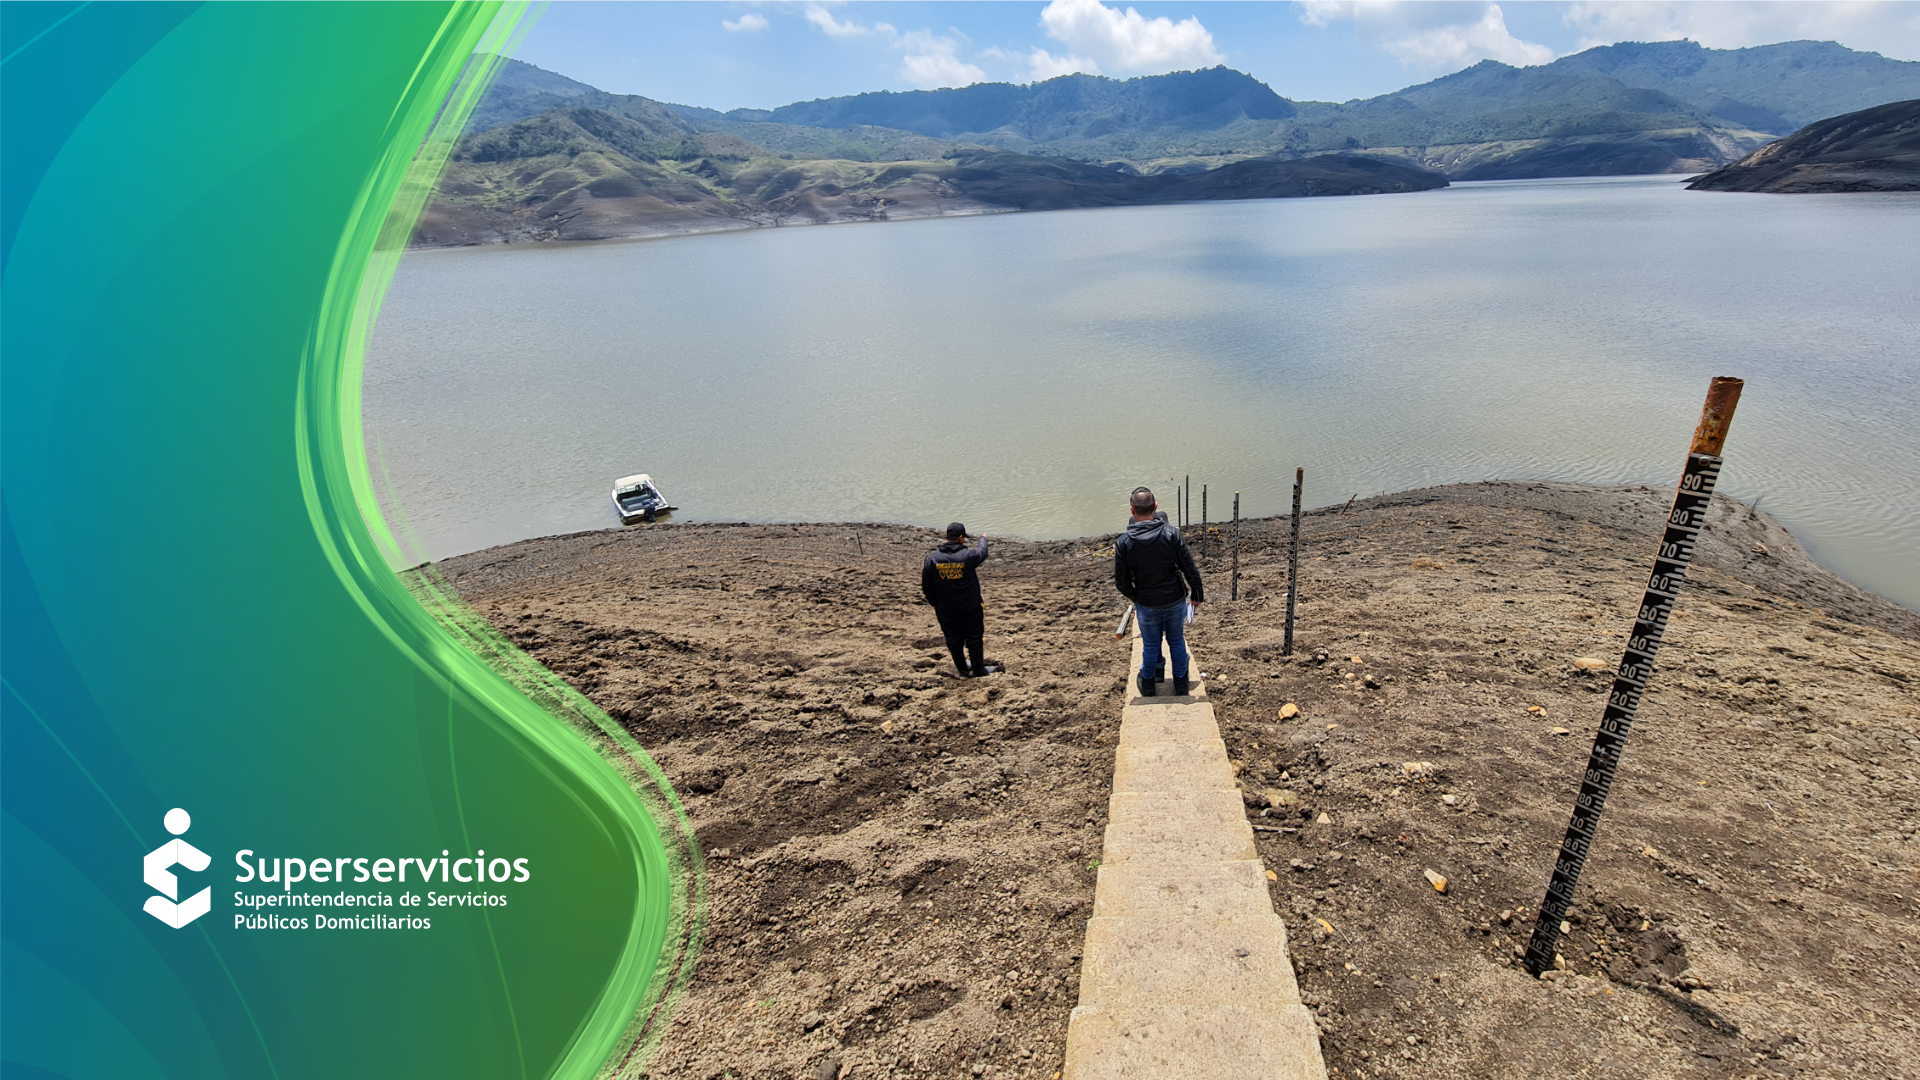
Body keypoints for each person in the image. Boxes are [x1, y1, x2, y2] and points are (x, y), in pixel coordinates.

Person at [1114, 487, 1203, 697]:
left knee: (1151, 645)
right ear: (1155, 507)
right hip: (1174, 600)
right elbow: (1190, 569)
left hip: (1147, 604)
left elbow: (1122, 583)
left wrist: (1138, 598)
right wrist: (1197, 595)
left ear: (1132, 510)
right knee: (1177, 641)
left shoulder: (1124, 542)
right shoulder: (1172, 534)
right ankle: (1181, 683)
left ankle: (1148, 684)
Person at [922, 522, 991, 677]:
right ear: (960, 538)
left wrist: (935, 603)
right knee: (974, 637)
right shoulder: (968, 556)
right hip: (970, 607)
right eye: (963, 538)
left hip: (946, 609)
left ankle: (962, 670)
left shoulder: (932, 559)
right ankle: (979, 670)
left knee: (953, 639)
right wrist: (983, 539)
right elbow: (982, 552)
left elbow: (927, 586)